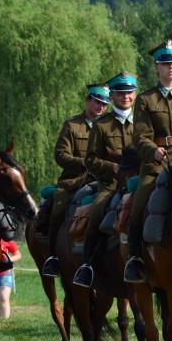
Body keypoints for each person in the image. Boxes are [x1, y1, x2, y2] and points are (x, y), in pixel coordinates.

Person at [123, 40, 172, 283]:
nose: (171, 67)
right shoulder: (146, 99)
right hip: (157, 165)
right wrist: (153, 151)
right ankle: (135, 258)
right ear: (157, 67)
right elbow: (140, 137)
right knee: (139, 206)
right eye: (165, 63)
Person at [72, 71, 137, 287]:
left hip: (142, 182)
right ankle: (88, 264)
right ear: (114, 95)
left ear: (135, 94)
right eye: (120, 93)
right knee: (98, 210)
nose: (125, 96)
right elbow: (90, 160)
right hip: (111, 186)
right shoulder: (101, 125)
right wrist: (113, 167)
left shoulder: (144, 122)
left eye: (129, 92)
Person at [41, 83, 110, 277]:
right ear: (88, 100)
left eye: (105, 104)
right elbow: (61, 155)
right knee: (58, 210)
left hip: (104, 178)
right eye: (97, 102)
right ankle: (53, 257)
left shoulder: (108, 125)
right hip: (74, 180)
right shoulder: (72, 125)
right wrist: (86, 164)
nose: (101, 107)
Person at [0, 238, 22, 319]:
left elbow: (18, 254)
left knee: (3, 298)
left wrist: (10, 259)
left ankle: (4, 323)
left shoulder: (6, 239)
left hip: (4, 274)